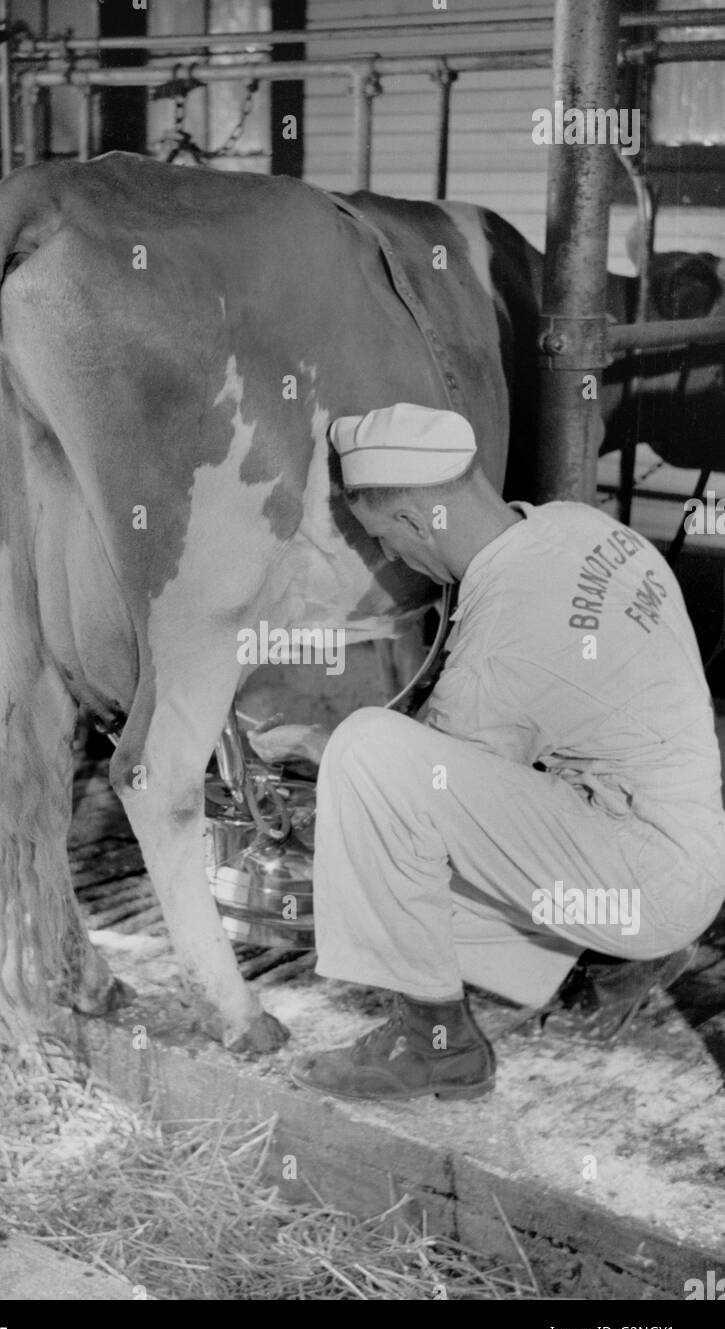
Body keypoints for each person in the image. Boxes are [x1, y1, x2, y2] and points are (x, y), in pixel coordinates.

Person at [248, 402, 725, 1102]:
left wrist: (309, 744)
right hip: (680, 845)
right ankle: (600, 961)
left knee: (365, 762)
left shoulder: (503, 635)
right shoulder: (575, 526)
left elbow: (413, 791)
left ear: (415, 521)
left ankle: (434, 1041)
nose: (385, 556)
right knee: (386, 830)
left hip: (643, 882)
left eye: (379, 536)